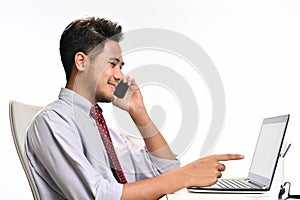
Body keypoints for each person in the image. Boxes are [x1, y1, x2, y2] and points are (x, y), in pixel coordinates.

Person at [25, 16, 244, 200]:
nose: (120, 75)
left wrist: (138, 112)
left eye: (121, 66)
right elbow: (97, 195)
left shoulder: (104, 131)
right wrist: (186, 176)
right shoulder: (52, 122)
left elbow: (167, 171)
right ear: (81, 62)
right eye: (112, 64)